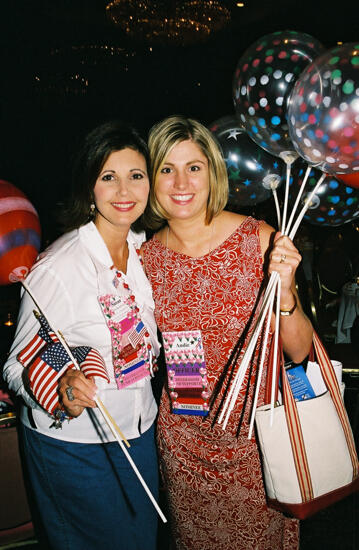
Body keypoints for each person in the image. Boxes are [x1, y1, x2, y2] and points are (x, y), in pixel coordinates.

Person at [142, 115, 313, 550]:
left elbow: (299, 351)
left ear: (212, 174)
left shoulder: (259, 240)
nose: (181, 181)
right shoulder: (143, 260)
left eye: (193, 167)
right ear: (152, 179)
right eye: (167, 168)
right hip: (183, 444)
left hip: (258, 442)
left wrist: (287, 289)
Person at [3, 120, 161, 550]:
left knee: (140, 542)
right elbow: (15, 366)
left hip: (141, 432)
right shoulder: (59, 266)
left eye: (136, 175)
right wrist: (61, 387)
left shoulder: (148, 250)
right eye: (108, 177)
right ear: (89, 185)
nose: (124, 190)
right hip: (75, 447)